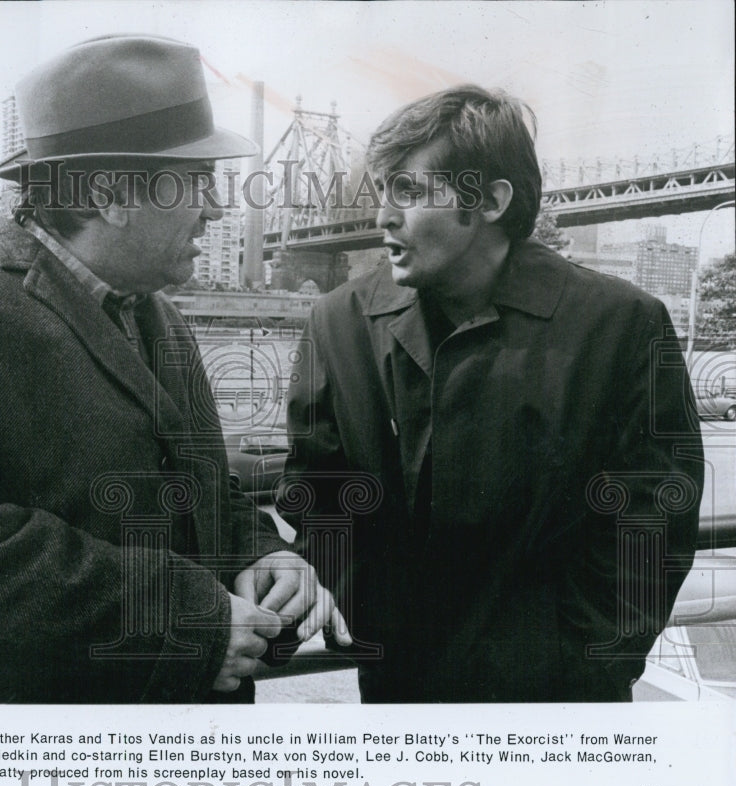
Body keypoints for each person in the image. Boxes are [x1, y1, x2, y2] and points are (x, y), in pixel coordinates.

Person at [0, 35, 348, 704]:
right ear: (107, 193)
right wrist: (178, 616)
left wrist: (257, 551)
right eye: (196, 180)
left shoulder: (160, 317)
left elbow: (202, 498)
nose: (216, 207)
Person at [278, 85, 703, 703]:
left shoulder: (621, 324)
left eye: (409, 191)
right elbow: (318, 493)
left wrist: (583, 663)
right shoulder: (337, 320)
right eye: (381, 192)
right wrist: (367, 621)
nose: (382, 217)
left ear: (492, 202)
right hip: (398, 692)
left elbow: (653, 523)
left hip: (557, 708)